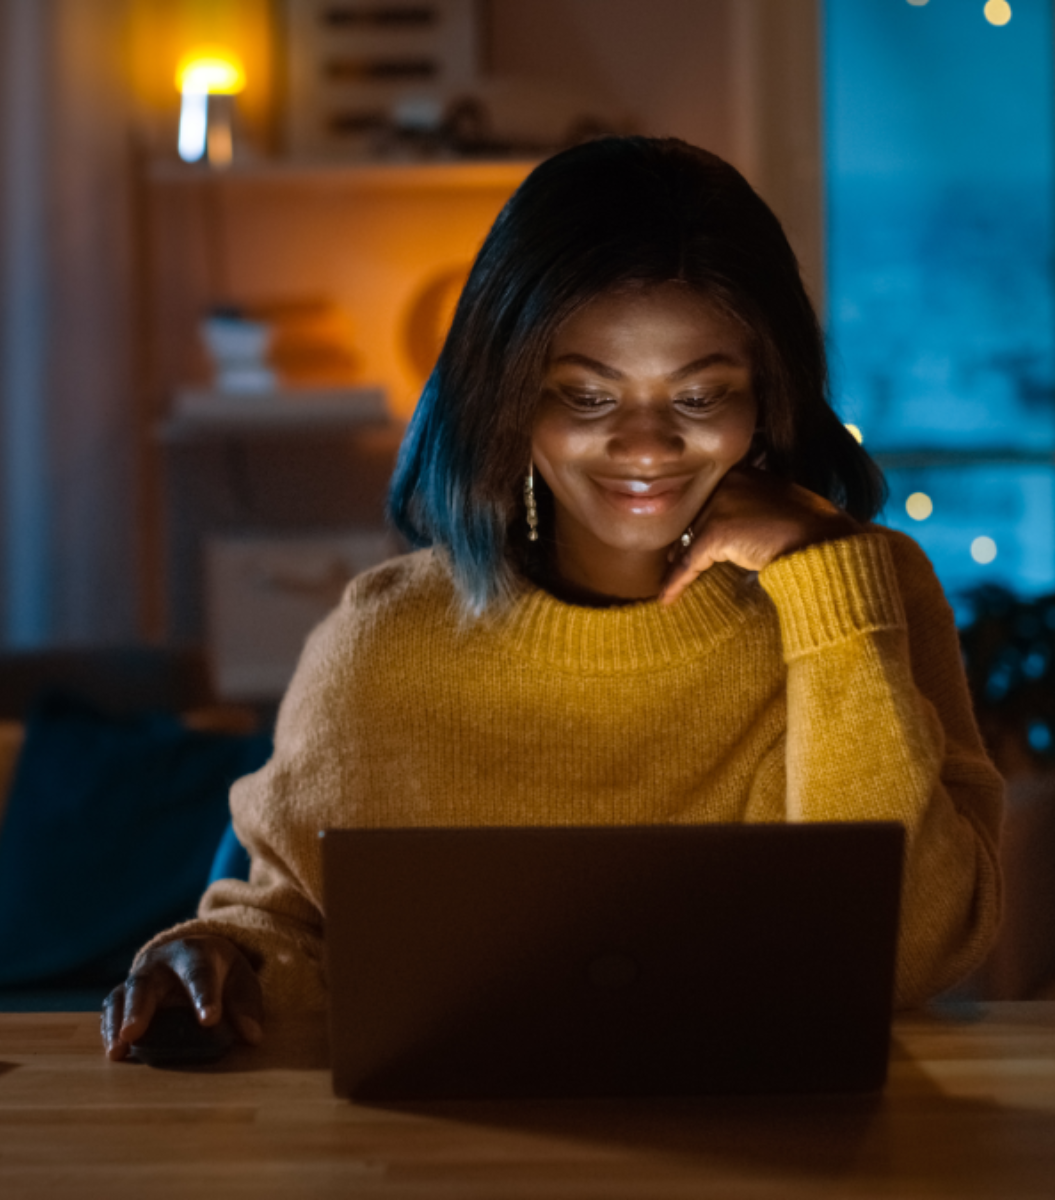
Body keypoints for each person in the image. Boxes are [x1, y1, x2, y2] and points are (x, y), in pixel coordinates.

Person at [102, 136, 1004, 1061]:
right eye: (586, 397)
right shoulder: (384, 642)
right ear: (509, 400)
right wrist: (214, 960)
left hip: (798, 1136)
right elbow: (292, 933)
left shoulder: (864, 591)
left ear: (765, 399)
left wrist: (823, 581)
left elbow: (907, 957)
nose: (646, 447)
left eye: (700, 398)